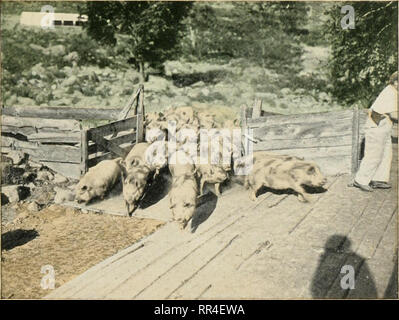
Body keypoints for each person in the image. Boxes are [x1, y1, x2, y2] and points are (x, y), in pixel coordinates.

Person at [353, 71, 398, 192]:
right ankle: (360, 180)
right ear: (396, 82)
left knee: (385, 153)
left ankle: (378, 179)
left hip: (384, 127)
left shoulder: (394, 92)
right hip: (376, 127)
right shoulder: (390, 92)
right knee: (374, 154)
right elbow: (394, 115)